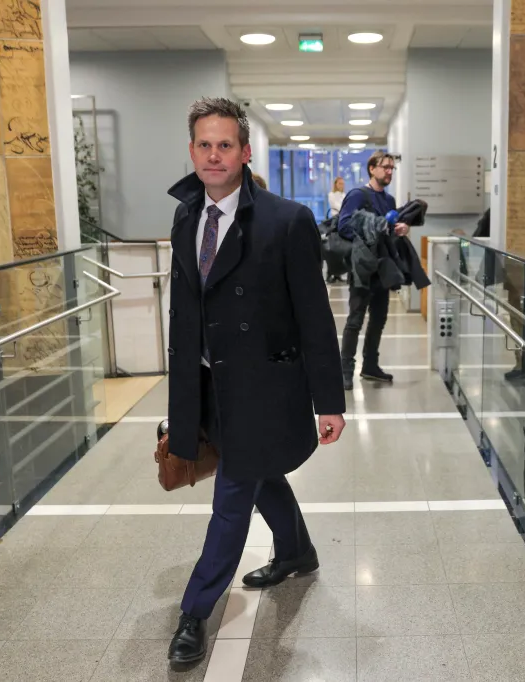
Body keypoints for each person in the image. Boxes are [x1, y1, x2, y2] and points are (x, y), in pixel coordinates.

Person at [164, 97, 346, 667]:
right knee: (260, 471)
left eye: (225, 145)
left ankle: (195, 610)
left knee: (232, 496)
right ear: (191, 151)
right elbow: (187, 310)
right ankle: (297, 550)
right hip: (208, 384)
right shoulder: (186, 215)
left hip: (265, 387)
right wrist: (181, 397)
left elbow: (314, 315)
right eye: (204, 145)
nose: (214, 155)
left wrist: (329, 400)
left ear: (244, 153)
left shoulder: (286, 220)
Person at [337, 152, 410, 390]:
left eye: (392, 168)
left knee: (379, 319)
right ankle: (345, 370)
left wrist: (397, 228)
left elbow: (387, 229)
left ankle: (370, 366)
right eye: (385, 167)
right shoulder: (358, 195)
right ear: (372, 169)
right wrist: (373, 226)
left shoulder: (388, 201)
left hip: (382, 268)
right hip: (363, 268)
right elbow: (344, 225)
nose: (389, 171)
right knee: (355, 320)